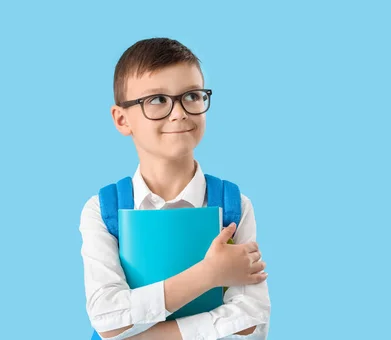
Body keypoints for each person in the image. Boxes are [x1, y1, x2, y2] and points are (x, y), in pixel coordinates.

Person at [79, 38, 271, 339]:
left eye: (192, 95)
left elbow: (250, 321)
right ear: (121, 118)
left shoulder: (234, 205)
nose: (179, 112)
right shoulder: (103, 210)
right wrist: (209, 274)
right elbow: (107, 315)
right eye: (157, 100)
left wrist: (144, 335)